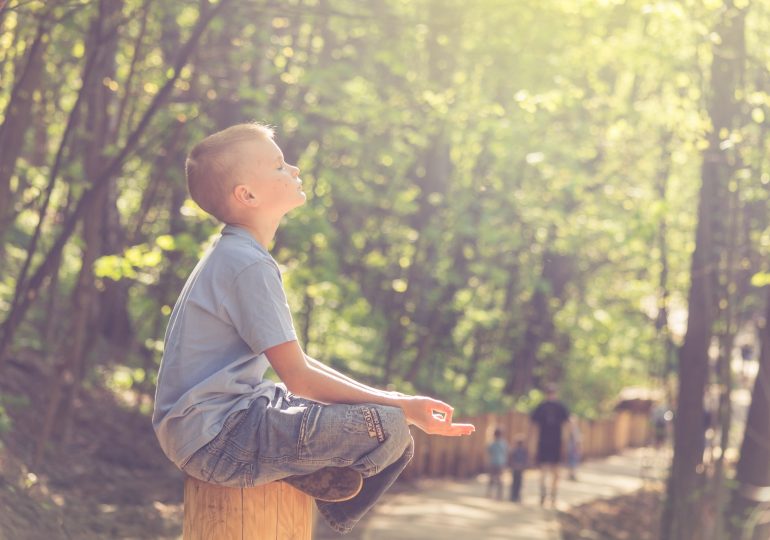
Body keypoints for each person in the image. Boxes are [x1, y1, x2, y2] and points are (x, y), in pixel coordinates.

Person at [152, 123, 475, 535]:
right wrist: (400, 408)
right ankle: (325, 508)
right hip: (218, 439)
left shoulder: (238, 254)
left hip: (223, 424)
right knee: (388, 427)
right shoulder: (246, 264)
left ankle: (305, 478)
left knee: (391, 420)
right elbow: (300, 378)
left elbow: (298, 364)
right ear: (247, 195)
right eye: (279, 165)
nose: (295, 168)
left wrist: (396, 398)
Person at [529, 384, 570, 507]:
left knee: (551, 472)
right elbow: (534, 428)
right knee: (547, 472)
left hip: (551, 444)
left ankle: (550, 496)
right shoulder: (545, 407)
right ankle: (546, 495)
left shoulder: (547, 407)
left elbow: (566, 426)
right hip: (548, 444)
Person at [486, 428, 508, 500]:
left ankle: (490, 494)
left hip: (494, 462)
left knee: (492, 479)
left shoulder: (492, 443)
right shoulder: (503, 443)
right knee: (499, 479)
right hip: (500, 463)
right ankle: (499, 495)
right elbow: (506, 453)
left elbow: (489, 452)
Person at [509, 435, 529, 502]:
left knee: (515, 482)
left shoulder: (515, 450)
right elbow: (526, 459)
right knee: (518, 482)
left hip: (516, 468)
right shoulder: (523, 450)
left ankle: (514, 496)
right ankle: (516, 496)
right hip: (519, 468)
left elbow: (511, 459)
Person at [566, 415, 581, 481]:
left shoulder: (573, 429)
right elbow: (577, 440)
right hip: (572, 448)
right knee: (572, 462)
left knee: (572, 462)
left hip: (572, 448)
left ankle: (572, 475)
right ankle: (571, 475)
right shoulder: (573, 429)